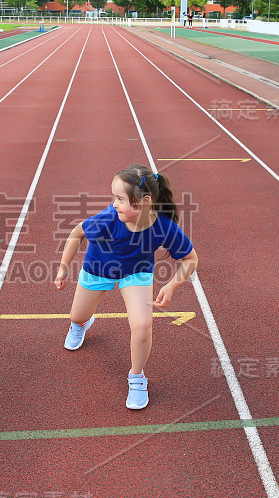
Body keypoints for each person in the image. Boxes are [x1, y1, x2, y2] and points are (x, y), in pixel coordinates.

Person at [55, 164, 198, 410]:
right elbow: (76, 233)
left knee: (143, 324)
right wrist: (63, 267)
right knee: (77, 315)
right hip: (99, 267)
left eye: (121, 199)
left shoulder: (163, 227)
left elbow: (191, 259)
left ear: (145, 201)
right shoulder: (109, 218)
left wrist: (173, 285)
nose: (115, 203)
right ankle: (80, 324)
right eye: (115, 198)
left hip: (136, 272)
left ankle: (137, 376)